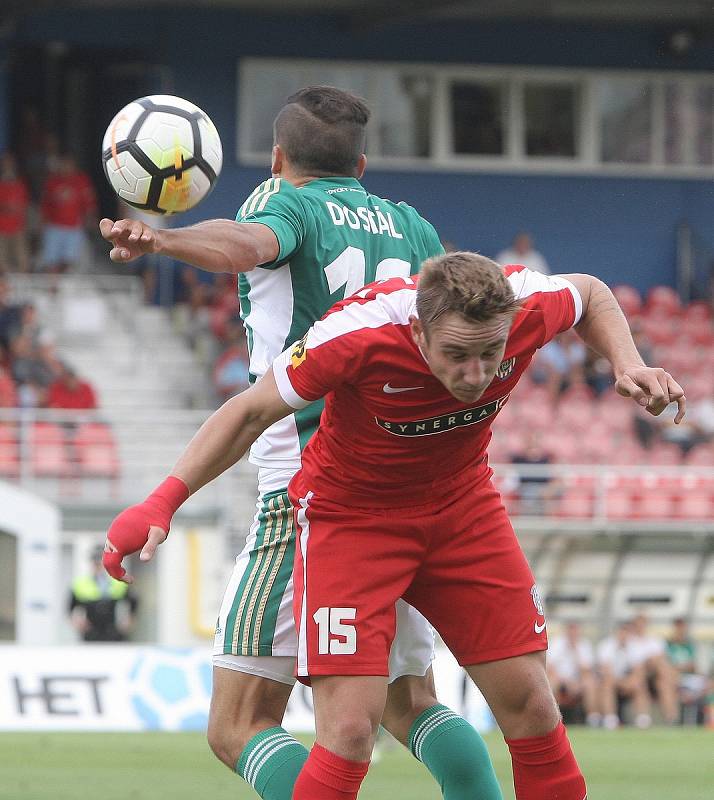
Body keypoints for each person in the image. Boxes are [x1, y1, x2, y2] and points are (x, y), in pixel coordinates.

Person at [102, 251, 685, 799]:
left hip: (463, 511)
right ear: (418, 332)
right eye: (457, 354)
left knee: (533, 705)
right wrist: (162, 502)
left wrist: (628, 363)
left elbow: (589, 292)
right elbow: (250, 411)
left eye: (491, 352)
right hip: (352, 523)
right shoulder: (356, 332)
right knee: (353, 730)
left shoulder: (529, 302)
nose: (477, 372)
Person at [100, 87, 502, 800]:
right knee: (413, 702)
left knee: (237, 723)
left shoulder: (286, 205)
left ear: (279, 159)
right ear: (363, 163)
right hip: (402, 485)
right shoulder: (412, 227)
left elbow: (249, 244)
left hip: (309, 487)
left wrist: (163, 238)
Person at [39, 152, 97, 273]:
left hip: (74, 227)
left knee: (70, 260)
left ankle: (62, 283)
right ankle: (52, 286)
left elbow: (89, 203)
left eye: (69, 164)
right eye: (64, 164)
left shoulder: (81, 180)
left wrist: (90, 219)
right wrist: (43, 223)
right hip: (54, 226)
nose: (66, 167)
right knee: (51, 260)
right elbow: (45, 204)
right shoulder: (53, 181)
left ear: (73, 165)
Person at [69, 545, 138, 641]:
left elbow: (133, 601)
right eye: (95, 563)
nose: (98, 567)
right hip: (91, 633)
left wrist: (129, 620)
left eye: (100, 563)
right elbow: (70, 606)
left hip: (113, 632)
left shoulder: (117, 582)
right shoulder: (81, 584)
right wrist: (77, 622)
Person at [596, 620, 651, 729]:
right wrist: (621, 683)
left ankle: (642, 719)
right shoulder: (606, 646)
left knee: (639, 684)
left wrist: (630, 682)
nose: (624, 635)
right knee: (607, 684)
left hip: (627, 682)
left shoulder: (635, 646)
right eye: (622, 631)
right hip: (611, 681)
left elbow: (639, 670)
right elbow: (606, 671)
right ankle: (610, 719)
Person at [546, 621, 600, 726]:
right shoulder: (557, 643)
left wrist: (576, 651)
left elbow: (586, 670)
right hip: (559, 679)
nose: (573, 633)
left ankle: (593, 718)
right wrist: (565, 681)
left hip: (578, 681)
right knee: (551, 684)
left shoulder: (584, 645)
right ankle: (551, 719)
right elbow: (550, 668)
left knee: (590, 683)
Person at [0, 152, 31, 273]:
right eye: (5, 164)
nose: (8, 167)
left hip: (17, 227)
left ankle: (23, 285)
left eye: (10, 164)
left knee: (22, 259)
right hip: (2, 227)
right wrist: (6, 207)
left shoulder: (20, 185)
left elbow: (24, 205)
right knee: (2, 260)